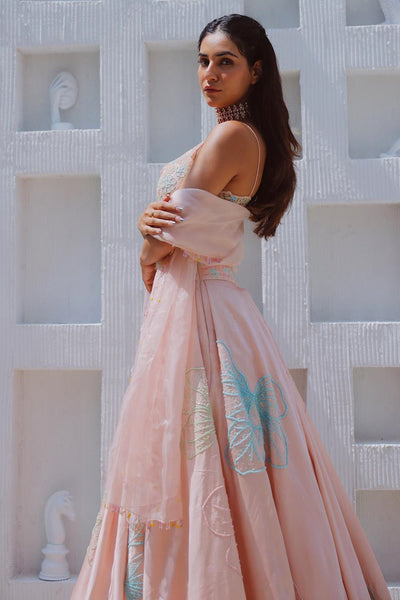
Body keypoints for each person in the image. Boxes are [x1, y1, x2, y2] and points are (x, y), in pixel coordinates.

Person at [71, 14, 391, 600]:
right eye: (203, 61)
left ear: (256, 71)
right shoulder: (240, 137)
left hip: (206, 313)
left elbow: (171, 229)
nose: (210, 74)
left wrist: (147, 238)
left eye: (226, 62)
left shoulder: (232, 137)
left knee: (199, 454)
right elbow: (176, 223)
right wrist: (154, 230)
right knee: (214, 456)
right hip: (212, 306)